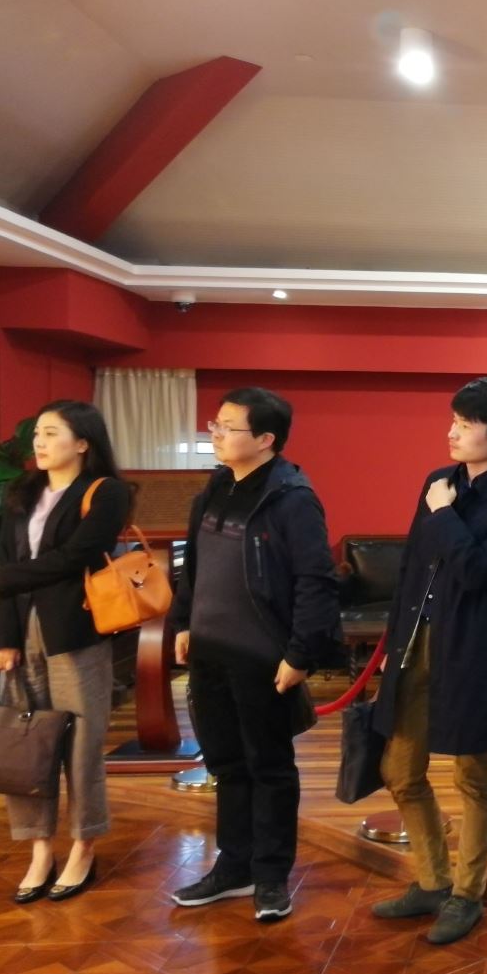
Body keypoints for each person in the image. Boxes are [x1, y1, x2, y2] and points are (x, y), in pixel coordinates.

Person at [368, 376, 487, 946]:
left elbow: (478, 573)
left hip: (474, 652)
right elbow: (413, 568)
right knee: (400, 770)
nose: (452, 431)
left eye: (465, 425)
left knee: (474, 777)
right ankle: (431, 880)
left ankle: (467, 893)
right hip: (416, 644)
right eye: (454, 420)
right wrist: (392, 642)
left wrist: (444, 515)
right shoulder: (437, 482)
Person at [168, 387, 343, 923]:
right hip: (210, 652)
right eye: (215, 424)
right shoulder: (216, 486)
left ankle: (270, 875)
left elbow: (316, 581)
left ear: (265, 439)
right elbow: (194, 565)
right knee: (226, 764)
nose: (216, 434)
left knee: (269, 767)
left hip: (262, 657)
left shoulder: (291, 498)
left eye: (228, 427)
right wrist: (183, 621)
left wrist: (300, 654)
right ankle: (234, 866)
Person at [0, 400, 131, 904]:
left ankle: (83, 846)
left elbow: (75, 558)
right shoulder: (22, 492)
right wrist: (2, 637)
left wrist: (5, 578)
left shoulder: (105, 492)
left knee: (82, 745)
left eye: (51, 433)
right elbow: (3, 562)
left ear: (83, 442)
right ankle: (40, 849)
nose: (39, 443)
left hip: (76, 633)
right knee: (28, 745)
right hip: (21, 632)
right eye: (37, 434)